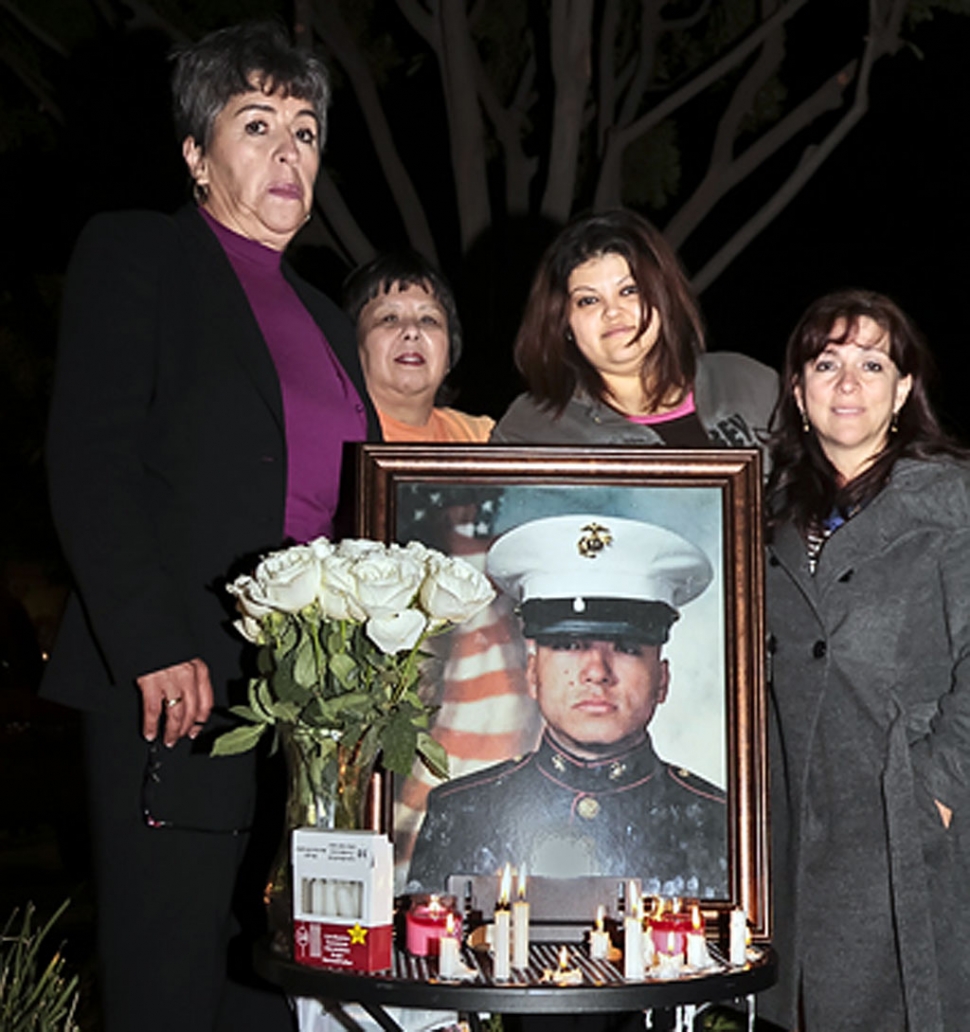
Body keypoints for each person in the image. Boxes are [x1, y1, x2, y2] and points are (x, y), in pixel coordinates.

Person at [41, 23, 378, 1032]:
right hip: (177, 689)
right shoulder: (138, 253)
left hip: (302, 702)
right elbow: (91, 461)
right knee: (170, 977)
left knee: (274, 984)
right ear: (196, 152)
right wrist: (152, 644)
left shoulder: (323, 314)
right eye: (258, 124)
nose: (289, 153)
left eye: (307, 131)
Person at [764, 289, 970, 1032]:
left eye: (871, 363)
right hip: (798, 841)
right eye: (827, 363)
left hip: (909, 832)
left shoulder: (950, 500)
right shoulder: (769, 513)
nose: (847, 384)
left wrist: (937, 791)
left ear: (903, 389)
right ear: (797, 388)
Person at [407, 513, 728, 899]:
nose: (596, 671)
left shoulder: (719, 823)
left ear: (662, 679)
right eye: (571, 645)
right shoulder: (459, 814)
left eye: (626, 648)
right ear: (531, 673)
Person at [491, 209, 777, 449]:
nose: (612, 311)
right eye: (588, 300)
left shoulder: (749, 384)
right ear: (563, 323)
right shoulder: (532, 427)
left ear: (663, 298)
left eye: (629, 290)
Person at [344, 250, 494, 442]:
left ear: (449, 354)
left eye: (428, 320)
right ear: (354, 345)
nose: (412, 331)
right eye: (390, 318)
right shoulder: (328, 436)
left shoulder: (482, 438)